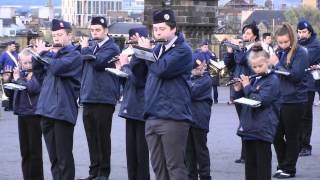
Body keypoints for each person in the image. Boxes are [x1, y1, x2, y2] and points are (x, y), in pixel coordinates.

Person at [137, 9, 193, 180]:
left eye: (162, 28)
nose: (158, 32)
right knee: (158, 167)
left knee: (175, 167)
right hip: (152, 115)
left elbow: (162, 70)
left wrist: (146, 53)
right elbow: (138, 77)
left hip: (173, 117)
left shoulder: (183, 50)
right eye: (155, 29)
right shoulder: (157, 49)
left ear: (173, 28)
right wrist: (137, 54)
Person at [33, 19, 82, 180]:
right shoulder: (52, 55)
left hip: (62, 111)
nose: (56, 38)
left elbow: (57, 68)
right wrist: (36, 59)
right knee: (53, 158)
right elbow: (40, 77)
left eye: (60, 35)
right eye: (54, 35)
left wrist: (44, 53)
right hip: (46, 110)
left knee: (64, 158)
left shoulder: (74, 55)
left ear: (69, 35)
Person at [78, 16, 120, 180]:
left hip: (103, 99)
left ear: (106, 30)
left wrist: (85, 49)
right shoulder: (92, 46)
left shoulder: (112, 48)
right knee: (91, 138)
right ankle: (93, 172)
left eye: (98, 30)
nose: (94, 33)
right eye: (92, 30)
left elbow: (98, 63)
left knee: (102, 138)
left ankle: (103, 172)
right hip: (88, 97)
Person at [233, 43, 280, 180]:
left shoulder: (273, 80)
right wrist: (238, 90)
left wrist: (247, 86)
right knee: (250, 168)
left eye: (260, 66)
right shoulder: (255, 80)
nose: (257, 69)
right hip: (249, 128)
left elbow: (259, 101)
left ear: (268, 63)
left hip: (262, 129)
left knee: (262, 168)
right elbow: (245, 103)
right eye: (254, 67)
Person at [273, 23, 309, 179]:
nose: (282, 45)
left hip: (295, 100)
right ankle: (283, 165)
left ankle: (289, 168)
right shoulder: (280, 52)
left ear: (292, 39)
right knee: (275, 135)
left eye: (285, 42)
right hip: (280, 99)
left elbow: (296, 76)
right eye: (280, 42)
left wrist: (276, 64)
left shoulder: (301, 52)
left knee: (292, 136)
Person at [116, 27, 150, 180]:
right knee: (131, 153)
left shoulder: (145, 56)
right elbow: (129, 82)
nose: (130, 44)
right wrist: (120, 71)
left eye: (133, 40)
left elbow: (138, 81)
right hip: (131, 107)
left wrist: (125, 66)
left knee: (141, 154)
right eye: (130, 41)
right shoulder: (135, 55)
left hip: (141, 109)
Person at [223, 22, 260, 164]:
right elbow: (230, 64)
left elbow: (242, 60)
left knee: (250, 121)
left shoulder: (256, 48)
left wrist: (238, 48)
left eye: (248, 33)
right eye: (244, 33)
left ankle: (251, 154)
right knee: (242, 121)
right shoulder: (242, 49)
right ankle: (245, 154)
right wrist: (230, 51)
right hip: (237, 88)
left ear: (254, 36)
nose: (245, 35)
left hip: (249, 87)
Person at [12, 48, 43, 180]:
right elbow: (13, 93)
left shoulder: (38, 73)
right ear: (20, 62)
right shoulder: (21, 73)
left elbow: (33, 88)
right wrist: (11, 79)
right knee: (25, 151)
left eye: (30, 63)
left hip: (34, 115)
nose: (28, 66)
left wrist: (18, 79)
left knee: (34, 151)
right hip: (22, 114)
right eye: (25, 63)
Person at [185, 59, 213, 180]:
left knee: (200, 150)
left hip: (200, 119)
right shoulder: (189, 79)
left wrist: (184, 86)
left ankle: (205, 176)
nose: (201, 69)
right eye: (197, 68)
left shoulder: (206, 79)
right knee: (188, 151)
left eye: (201, 67)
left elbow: (191, 92)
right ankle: (191, 176)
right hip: (187, 119)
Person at [296, 20, 320, 157]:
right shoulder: (298, 44)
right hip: (297, 83)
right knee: (297, 115)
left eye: (304, 32)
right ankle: (298, 144)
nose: (301, 35)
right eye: (299, 32)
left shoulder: (315, 44)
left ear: (309, 32)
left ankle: (305, 145)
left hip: (309, 84)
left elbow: (305, 59)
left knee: (305, 115)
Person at [0, 41, 19, 111]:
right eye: (13, 46)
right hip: (6, 74)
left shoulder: (16, 54)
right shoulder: (4, 55)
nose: (15, 47)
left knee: (13, 90)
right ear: (9, 46)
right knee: (6, 90)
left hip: (14, 74)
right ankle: (6, 106)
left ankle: (12, 105)